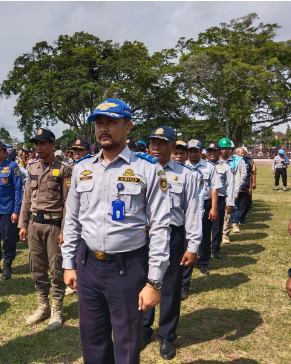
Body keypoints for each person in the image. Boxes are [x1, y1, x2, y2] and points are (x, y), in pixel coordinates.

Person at [61, 99, 171, 363]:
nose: (104, 128)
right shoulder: (83, 168)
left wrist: (154, 282)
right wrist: (69, 263)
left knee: (127, 342)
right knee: (92, 339)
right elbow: (73, 219)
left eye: (111, 122)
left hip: (128, 266)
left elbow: (159, 227)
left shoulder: (148, 169)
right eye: (99, 123)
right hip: (87, 264)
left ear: (128, 126)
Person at [143, 127, 201, 359]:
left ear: (173, 146)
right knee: (143, 283)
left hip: (172, 235)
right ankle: (143, 329)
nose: (156, 147)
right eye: (153, 143)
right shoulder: (139, 170)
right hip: (141, 235)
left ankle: (167, 336)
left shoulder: (186, 174)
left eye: (162, 143)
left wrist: (193, 246)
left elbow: (193, 212)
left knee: (169, 288)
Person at [18, 128, 72, 331]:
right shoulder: (31, 167)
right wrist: (23, 223)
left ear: (52, 145)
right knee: (37, 267)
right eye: (36, 144)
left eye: (42, 144)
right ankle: (44, 306)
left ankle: (57, 307)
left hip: (54, 225)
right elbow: (26, 198)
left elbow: (68, 203)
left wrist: (64, 230)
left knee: (56, 267)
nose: (38, 148)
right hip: (34, 225)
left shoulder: (64, 169)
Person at [0, 141, 23, 280]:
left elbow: (19, 190)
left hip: (7, 210)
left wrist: (16, 211)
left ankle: (7, 265)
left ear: (4, 153)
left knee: (8, 239)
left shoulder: (13, 168)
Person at [185, 140, 221, 277]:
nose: (193, 153)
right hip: (187, 205)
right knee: (186, 233)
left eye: (196, 151)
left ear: (201, 152)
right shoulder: (182, 165)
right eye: (191, 151)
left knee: (205, 234)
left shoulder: (209, 167)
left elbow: (214, 188)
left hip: (204, 204)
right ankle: (187, 258)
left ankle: (203, 262)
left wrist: (213, 208)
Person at [203, 143, 234, 263]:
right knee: (203, 227)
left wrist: (230, 202)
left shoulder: (225, 167)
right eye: (209, 151)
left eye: (214, 151)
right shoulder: (202, 165)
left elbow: (230, 185)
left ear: (219, 152)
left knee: (217, 226)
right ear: (206, 152)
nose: (212, 153)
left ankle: (215, 248)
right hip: (205, 200)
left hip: (220, 199)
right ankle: (203, 249)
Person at [219, 138, 246, 241]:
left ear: (230, 149)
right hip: (217, 192)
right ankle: (217, 233)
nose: (224, 151)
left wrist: (235, 193)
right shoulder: (215, 161)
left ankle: (225, 234)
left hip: (229, 192)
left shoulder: (235, 161)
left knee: (227, 214)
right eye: (222, 148)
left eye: (226, 148)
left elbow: (238, 178)